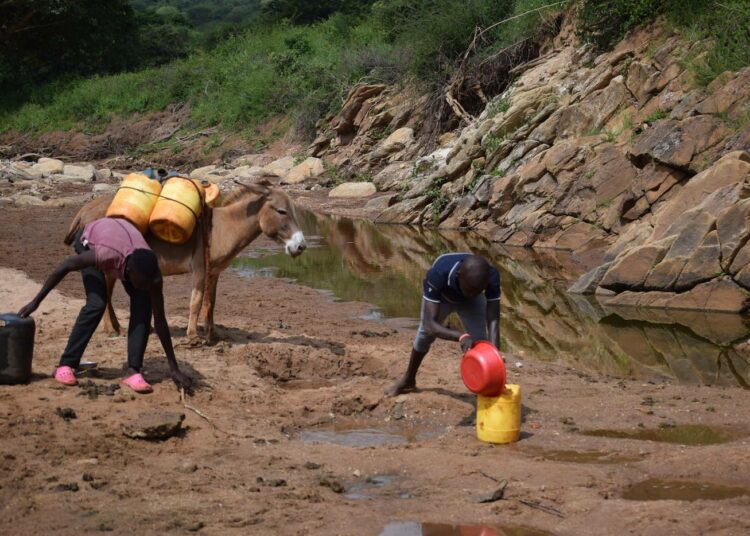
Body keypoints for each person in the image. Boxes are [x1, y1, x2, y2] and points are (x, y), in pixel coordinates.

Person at [18, 217, 191, 393]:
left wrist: (174, 368)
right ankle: (66, 364)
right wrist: (36, 302)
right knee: (97, 303)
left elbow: (160, 321)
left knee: (143, 305)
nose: (147, 286)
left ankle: (133, 371)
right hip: (90, 240)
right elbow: (66, 265)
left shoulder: (151, 276)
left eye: (149, 282)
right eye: (142, 282)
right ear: (129, 272)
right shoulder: (107, 255)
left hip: (122, 241)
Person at [386, 253, 500, 396]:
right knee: (423, 337)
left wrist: (495, 355)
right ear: (459, 275)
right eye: (470, 291)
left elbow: (493, 319)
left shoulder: (490, 276)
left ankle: (485, 384)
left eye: (478, 291)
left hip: (472, 303)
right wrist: (460, 336)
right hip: (443, 298)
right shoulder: (437, 274)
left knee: (481, 342)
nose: (472, 294)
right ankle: (408, 379)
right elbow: (429, 324)